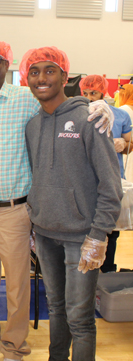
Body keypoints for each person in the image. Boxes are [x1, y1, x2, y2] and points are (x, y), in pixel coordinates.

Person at [0, 38, 114, 361]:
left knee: (19, 287)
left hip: (19, 211)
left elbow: (65, 108)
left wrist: (101, 106)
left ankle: (14, 346)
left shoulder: (26, 100)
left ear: (8, 66)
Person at [21, 46, 122, 361]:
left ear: (65, 76)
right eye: (34, 72)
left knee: (79, 317)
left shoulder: (88, 118)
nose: (41, 78)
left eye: (50, 70)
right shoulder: (32, 125)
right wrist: (33, 223)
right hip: (46, 234)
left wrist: (99, 233)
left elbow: (110, 183)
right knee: (56, 307)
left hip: (81, 236)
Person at [80, 75, 132, 273]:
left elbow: (130, 144)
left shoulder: (120, 115)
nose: (90, 97)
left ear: (103, 92)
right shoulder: (79, 114)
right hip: (85, 180)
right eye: (85, 93)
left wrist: (124, 144)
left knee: (111, 231)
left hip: (113, 179)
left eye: (93, 93)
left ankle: (108, 272)